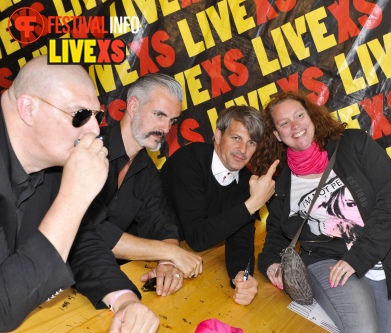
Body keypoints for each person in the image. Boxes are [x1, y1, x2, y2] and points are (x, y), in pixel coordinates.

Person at [0, 54, 158, 332]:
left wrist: (124, 300)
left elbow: (81, 241)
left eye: (96, 116)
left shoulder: (53, 159)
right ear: (28, 109)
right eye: (80, 115)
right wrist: (73, 198)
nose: (94, 130)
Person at [252, 91, 391, 333]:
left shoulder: (354, 144)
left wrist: (359, 257)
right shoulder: (281, 183)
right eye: (284, 123)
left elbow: (390, 202)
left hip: (383, 260)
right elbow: (276, 237)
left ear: (311, 116)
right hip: (328, 262)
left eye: (299, 115)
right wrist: (270, 265)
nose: (295, 126)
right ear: (276, 134)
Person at [96, 73, 203, 297]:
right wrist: (169, 252)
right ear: (133, 105)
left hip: (103, 277)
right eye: (159, 115)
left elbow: (162, 223)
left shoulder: (146, 168)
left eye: (172, 121)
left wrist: (167, 262)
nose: (166, 129)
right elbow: (91, 231)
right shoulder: (92, 148)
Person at [160, 105, 278, 305]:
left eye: (251, 142)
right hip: (146, 255)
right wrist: (253, 204)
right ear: (217, 135)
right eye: (236, 138)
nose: (243, 150)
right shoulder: (188, 161)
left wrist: (241, 276)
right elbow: (197, 237)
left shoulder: (246, 180)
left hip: (186, 261)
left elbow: (241, 239)